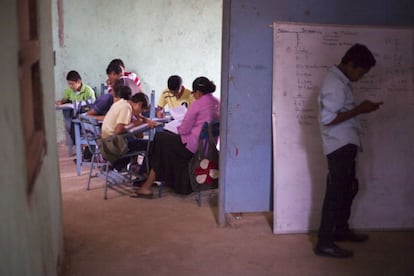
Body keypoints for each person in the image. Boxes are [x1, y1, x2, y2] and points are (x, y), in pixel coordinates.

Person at [314, 44, 383, 258]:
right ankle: (324, 242)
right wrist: (360, 109)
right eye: (360, 72)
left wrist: (359, 110)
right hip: (339, 146)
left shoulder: (340, 81)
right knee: (335, 193)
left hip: (346, 144)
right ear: (351, 64)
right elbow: (327, 120)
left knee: (349, 188)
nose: (361, 77)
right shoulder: (334, 84)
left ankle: (341, 230)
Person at [132, 76, 220, 198]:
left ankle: (148, 179)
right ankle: (148, 180)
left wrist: (177, 127)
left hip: (192, 147)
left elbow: (184, 129)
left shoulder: (197, 104)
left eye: (194, 93)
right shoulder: (218, 102)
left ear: (198, 92)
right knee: (162, 142)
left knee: (159, 138)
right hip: (208, 147)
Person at [101, 81, 153, 171]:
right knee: (151, 145)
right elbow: (118, 130)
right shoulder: (126, 108)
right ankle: (142, 173)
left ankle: (120, 165)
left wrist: (145, 120)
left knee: (135, 139)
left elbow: (136, 114)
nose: (140, 113)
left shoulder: (122, 102)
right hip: (113, 146)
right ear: (139, 105)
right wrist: (134, 124)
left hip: (105, 143)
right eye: (141, 110)